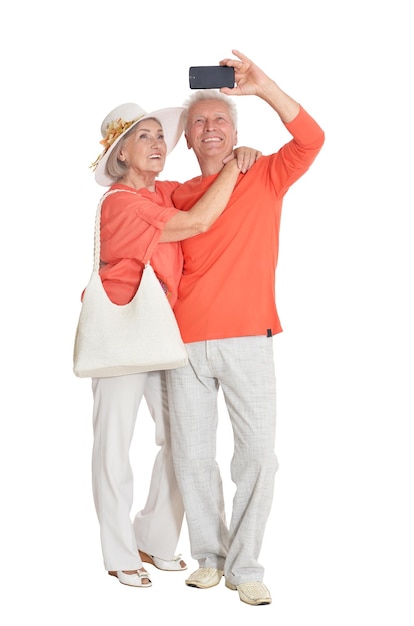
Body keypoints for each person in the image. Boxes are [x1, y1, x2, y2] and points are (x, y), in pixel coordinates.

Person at [166, 50, 325, 605]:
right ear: (186, 138)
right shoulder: (173, 194)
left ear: (234, 130)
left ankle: (245, 565)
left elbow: (311, 139)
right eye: (199, 123)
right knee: (191, 456)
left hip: (249, 336)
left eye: (220, 120)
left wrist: (262, 87)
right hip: (181, 342)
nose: (210, 128)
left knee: (258, 456)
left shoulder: (265, 176)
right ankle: (209, 558)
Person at [87, 101, 260, 588]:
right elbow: (198, 223)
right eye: (144, 137)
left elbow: (198, 197)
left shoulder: (163, 192)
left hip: (163, 334)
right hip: (120, 334)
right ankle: (119, 552)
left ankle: (156, 537)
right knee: (113, 446)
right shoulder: (122, 202)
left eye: (161, 136)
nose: (159, 143)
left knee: (182, 442)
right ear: (121, 155)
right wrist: (232, 165)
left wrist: (232, 148)